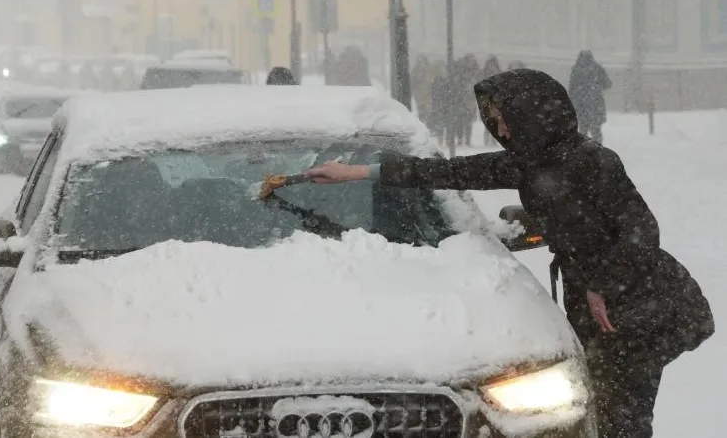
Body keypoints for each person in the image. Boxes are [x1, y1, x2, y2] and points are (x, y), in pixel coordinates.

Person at [303, 68, 714, 438]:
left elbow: (642, 230)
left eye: (503, 117)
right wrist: (355, 172)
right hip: (599, 302)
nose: (499, 127)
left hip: (639, 301)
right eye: (494, 119)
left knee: (621, 416)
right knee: (605, 412)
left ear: (533, 115)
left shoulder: (593, 162)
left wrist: (602, 284)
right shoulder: (527, 165)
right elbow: (450, 172)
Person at [569, 50, 611, 143]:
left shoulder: (576, 69)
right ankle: (598, 151)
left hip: (581, 105)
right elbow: (607, 84)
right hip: (595, 105)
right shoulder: (597, 69)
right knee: (596, 131)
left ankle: (583, 152)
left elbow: (571, 89)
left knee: (583, 131)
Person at [480, 55, 503, 147]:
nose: (491, 66)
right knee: (488, 120)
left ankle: (494, 140)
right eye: (490, 64)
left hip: (496, 101)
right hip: (487, 100)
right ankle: (487, 139)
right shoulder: (483, 74)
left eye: (493, 64)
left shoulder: (499, 74)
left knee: (496, 121)